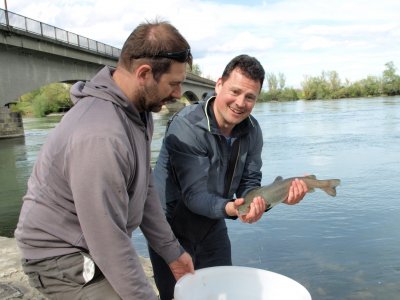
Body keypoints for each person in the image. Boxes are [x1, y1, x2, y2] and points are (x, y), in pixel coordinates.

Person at [14, 20, 195, 300]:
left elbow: (144, 188)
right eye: (173, 83)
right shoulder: (101, 135)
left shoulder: (138, 113)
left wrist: (173, 252)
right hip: (60, 258)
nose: (178, 94)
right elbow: (107, 239)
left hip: (91, 243)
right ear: (144, 73)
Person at [148, 54, 309, 300]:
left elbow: (249, 185)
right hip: (170, 229)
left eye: (250, 97)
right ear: (219, 84)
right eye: (235, 91)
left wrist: (271, 200)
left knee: (222, 295)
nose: (240, 103)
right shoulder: (187, 126)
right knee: (178, 297)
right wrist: (232, 209)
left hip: (212, 226)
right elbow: (194, 195)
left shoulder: (252, 131)